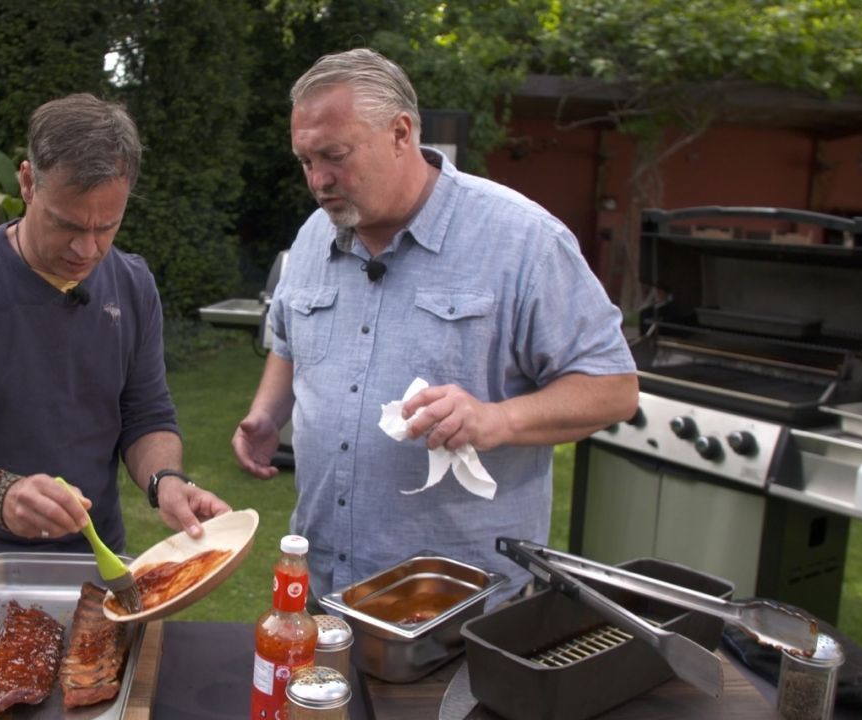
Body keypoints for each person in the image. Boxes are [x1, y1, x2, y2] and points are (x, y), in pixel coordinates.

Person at [232, 49, 638, 603]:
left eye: (335, 155)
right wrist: (266, 414)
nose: (318, 180)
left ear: (401, 133)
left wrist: (497, 419)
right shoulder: (311, 237)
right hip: (323, 587)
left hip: (462, 602)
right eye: (305, 161)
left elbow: (613, 388)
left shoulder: (523, 240)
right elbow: (288, 336)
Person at [0, 93, 231, 603]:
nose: (88, 250)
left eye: (107, 227)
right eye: (68, 224)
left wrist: (165, 481)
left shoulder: (132, 283)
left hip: (96, 577)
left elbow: (145, 416)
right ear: (28, 182)